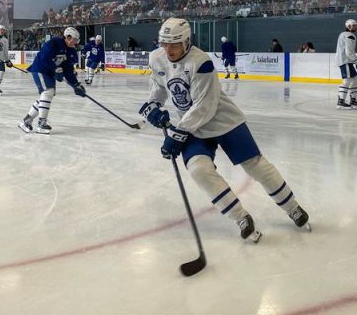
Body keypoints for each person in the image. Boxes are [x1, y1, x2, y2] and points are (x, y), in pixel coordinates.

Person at [139, 18, 309, 242]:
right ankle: (240, 217)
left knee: (256, 166)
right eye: (165, 44)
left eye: (174, 44)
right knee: (199, 169)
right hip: (194, 129)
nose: (168, 49)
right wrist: (153, 107)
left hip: (224, 121)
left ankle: (292, 207)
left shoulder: (201, 62)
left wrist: (177, 133)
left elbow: (204, 106)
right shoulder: (157, 57)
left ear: (187, 42)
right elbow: (160, 86)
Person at [18, 27, 86, 134]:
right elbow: (45, 58)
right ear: (68, 37)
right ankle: (41, 124)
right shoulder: (53, 43)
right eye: (74, 40)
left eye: (77, 41)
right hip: (40, 69)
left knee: (48, 95)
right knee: (48, 92)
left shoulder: (71, 51)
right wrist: (56, 70)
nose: (75, 43)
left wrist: (76, 85)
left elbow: (68, 70)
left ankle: (26, 121)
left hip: (50, 73)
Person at [335, 19, 357, 109]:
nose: (355, 27)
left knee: (354, 79)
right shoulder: (350, 36)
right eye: (353, 25)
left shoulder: (343, 34)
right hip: (346, 61)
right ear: (348, 26)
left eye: (355, 25)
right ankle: (341, 102)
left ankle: (353, 101)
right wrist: (356, 60)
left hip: (345, 60)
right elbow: (349, 52)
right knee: (347, 81)